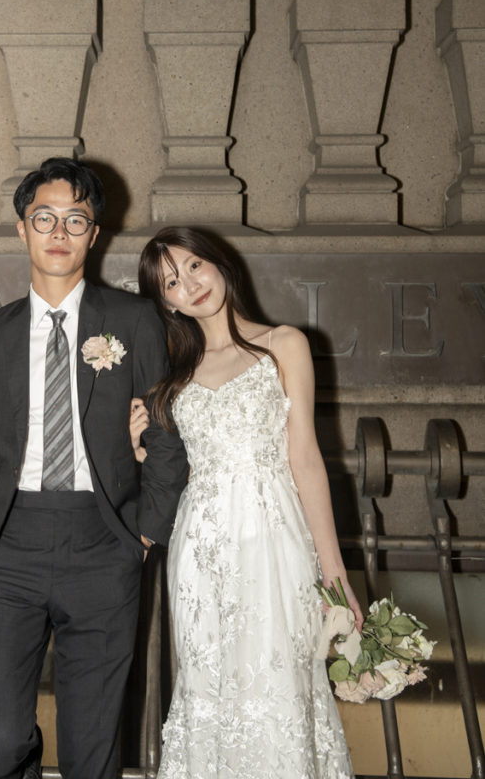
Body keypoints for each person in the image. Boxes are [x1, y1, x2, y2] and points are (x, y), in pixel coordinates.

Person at [0, 159, 188, 779]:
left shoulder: (134, 320)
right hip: (7, 545)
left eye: (75, 220)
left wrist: (145, 532)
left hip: (103, 543)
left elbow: (165, 434)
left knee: (92, 751)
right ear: (22, 229)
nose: (59, 232)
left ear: (95, 233)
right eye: (44, 218)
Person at [128, 225, 362, 779]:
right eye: (171, 282)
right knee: (207, 689)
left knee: (279, 685)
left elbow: (306, 459)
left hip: (271, 541)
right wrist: (139, 449)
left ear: (219, 263)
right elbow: (178, 471)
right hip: (199, 551)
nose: (189, 285)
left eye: (193, 266)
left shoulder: (284, 344)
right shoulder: (172, 375)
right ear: (166, 303)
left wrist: (335, 577)